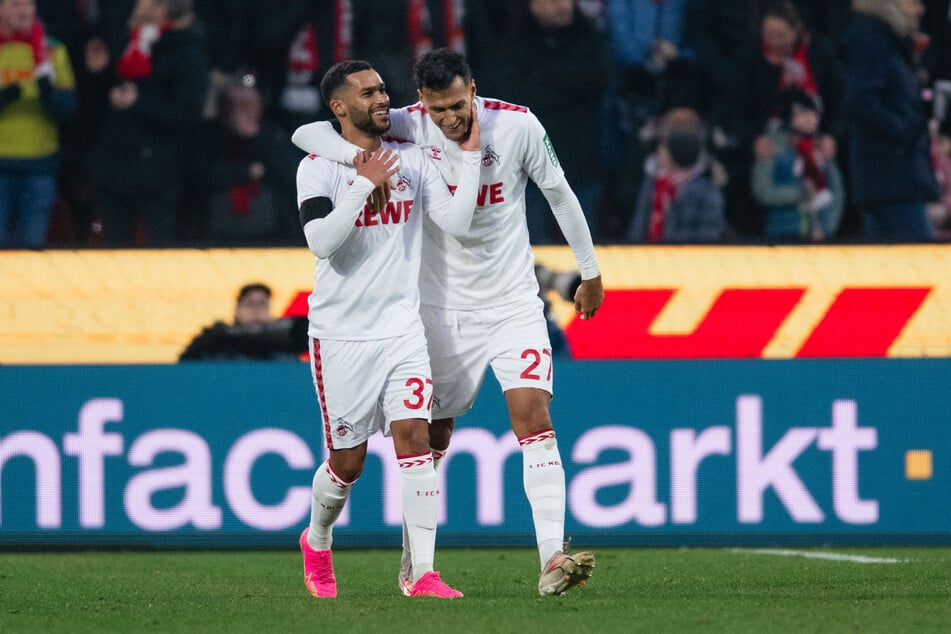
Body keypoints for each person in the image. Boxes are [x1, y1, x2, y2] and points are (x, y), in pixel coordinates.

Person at [291, 47, 603, 597]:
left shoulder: (518, 125)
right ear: (423, 105)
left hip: (511, 301)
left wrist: (590, 270)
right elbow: (309, 136)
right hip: (433, 307)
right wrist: (354, 165)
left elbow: (558, 192)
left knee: (533, 416)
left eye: (458, 106)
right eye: (438, 111)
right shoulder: (408, 128)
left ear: (473, 89)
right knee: (420, 440)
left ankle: (551, 557)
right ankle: (405, 562)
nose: (450, 119)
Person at [296, 59, 482, 599]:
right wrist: (362, 182)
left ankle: (419, 572)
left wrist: (468, 161)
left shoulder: (411, 159)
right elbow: (321, 242)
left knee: (417, 440)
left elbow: (453, 221)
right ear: (339, 107)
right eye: (369, 92)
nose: (383, 99)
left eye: (383, 89)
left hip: (403, 328)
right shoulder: (317, 168)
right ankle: (318, 538)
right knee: (347, 463)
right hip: (341, 334)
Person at [89, 0, 208, 247]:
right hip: (114, 165)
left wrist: (138, 102)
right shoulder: (126, 41)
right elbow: (99, 102)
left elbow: (187, 114)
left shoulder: (187, 49)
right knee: (113, 249)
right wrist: (97, 73)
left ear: (161, 9)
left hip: (157, 171)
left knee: (158, 248)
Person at [844, 0, 940, 242]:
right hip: (893, 176)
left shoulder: (888, 42)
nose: (921, 9)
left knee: (883, 263)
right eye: (913, 2)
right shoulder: (873, 42)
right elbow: (861, 99)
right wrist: (905, 131)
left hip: (891, 177)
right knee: (920, 260)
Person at [0, 0, 76, 249]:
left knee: (33, 248)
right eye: (14, 5)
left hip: (39, 165)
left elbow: (67, 111)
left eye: (28, 4)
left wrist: (48, 95)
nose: (23, 11)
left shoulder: (53, 51)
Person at [751, 88, 844, 242]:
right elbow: (762, 190)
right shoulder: (771, 147)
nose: (811, 118)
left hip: (820, 235)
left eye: (813, 113)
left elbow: (837, 192)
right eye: (802, 113)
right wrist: (801, 193)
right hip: (782, 233)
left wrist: (829, 227)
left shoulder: (822, 148)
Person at [627, 107, 726, 243]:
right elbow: (638, 226)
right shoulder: (652, 184)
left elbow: (709, 235)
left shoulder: (706, 189)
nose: (658, 150)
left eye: (664, 144)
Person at [178, 283, 309, 361]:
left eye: (263, 304)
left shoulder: (290, 338)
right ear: (236, 311)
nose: (256, 309)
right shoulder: (215, 339)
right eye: (250, 304)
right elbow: (187, 361)